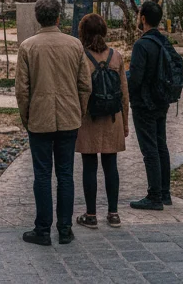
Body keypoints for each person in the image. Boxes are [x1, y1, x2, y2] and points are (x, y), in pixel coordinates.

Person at [16, 0, 92, 245]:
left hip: (40, 118)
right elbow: (85, 85)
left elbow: (22, 90)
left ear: (37, 18)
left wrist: (26, 116)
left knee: (42, 174)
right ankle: (65, 229)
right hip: (69, 118)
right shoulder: (75, 45)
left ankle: (42, 229)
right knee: (66, 174)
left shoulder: (28, 47)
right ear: (59, 17)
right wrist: (79, 111)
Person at [74, 13, 129, 229]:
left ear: (82, 33)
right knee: (111, 165)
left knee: (89, 166)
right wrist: (125, 123)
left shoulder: (81, 58)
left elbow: (79, 91)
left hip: (89, 118)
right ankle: (113, 214)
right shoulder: (116, 57)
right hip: (113, 118)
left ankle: (91, 215)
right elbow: (124, 93)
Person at [128, 1, 172, 210]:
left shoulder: (141, 45)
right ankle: (164, 193)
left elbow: (135, 78)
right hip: (161, 100)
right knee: (161, 145)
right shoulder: (163, 41)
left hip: (144, 104)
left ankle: (154, 196)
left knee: (150, 149)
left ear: (143, 19)